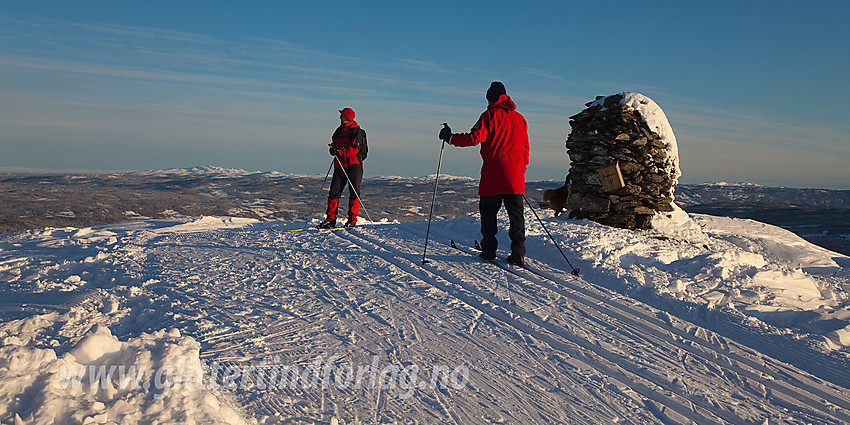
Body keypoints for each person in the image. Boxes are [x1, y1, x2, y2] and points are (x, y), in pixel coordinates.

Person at [440, 82, 530, 266]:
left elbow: (474, 138)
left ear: (490, 98)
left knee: (489, 212)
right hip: (515, 177)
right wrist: (521, 170)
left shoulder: (489, 116)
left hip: (493, 175)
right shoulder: (520, 119)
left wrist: (450, 138)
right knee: (516, 215)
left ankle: (489, 250)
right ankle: (518, 253)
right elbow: (525, 149)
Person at [318, 107, 365, 229]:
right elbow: (334, 143)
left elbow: (354, 149)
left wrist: (338, 151)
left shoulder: (356, 131)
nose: (340, 117)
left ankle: (352, 220)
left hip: (353, 164)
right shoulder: (338, 131)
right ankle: (330, 220)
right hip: (339, 164)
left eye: (342, 115)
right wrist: (332, 149)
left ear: (348, 117)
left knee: (354, 192)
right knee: (333, 192)